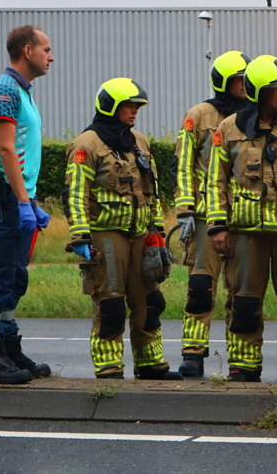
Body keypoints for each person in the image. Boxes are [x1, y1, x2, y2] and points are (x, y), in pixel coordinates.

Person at [206, 55, 277, 383]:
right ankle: (244, 365)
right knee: (243, 304)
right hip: (246, 234)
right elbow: (216, 181)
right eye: (276, 88)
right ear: (258, 91)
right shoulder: (228, 129)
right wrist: (217, 226)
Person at [63, 78, 181, 381]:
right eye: (129, 106)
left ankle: (150, 363)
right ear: (110, 107)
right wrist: (80, 236)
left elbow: (149, 189)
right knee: (110, 304)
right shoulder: (86, 145)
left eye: (137, 106)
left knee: (150, 300)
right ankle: (109, 367)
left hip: (142, 235)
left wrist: (156, 230)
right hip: (106, 235)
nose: (135, 111)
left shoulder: (139, 142)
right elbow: (75, 194)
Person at [0, 25, 55, 384]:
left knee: (14, 276)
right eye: (46, 50)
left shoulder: (24, 91)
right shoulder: (7, 90)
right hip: (4, 195)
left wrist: (31, 201)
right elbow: (6, 148)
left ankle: (9, 349)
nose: (50, 57)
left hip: (19, 196)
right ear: (27, 51)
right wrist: (24, 202)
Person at [173, 50, 251, 378]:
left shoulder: (256, 115)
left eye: (247, 80)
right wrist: (185, 210)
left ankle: (241, 358)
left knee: (242, 290)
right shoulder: (199, 115)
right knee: (201, 286)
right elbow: (184, 164)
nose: (244, 86)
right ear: (223, 83)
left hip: (245, 218)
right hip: (206, 217)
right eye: (238, 81)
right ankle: (193, 353)